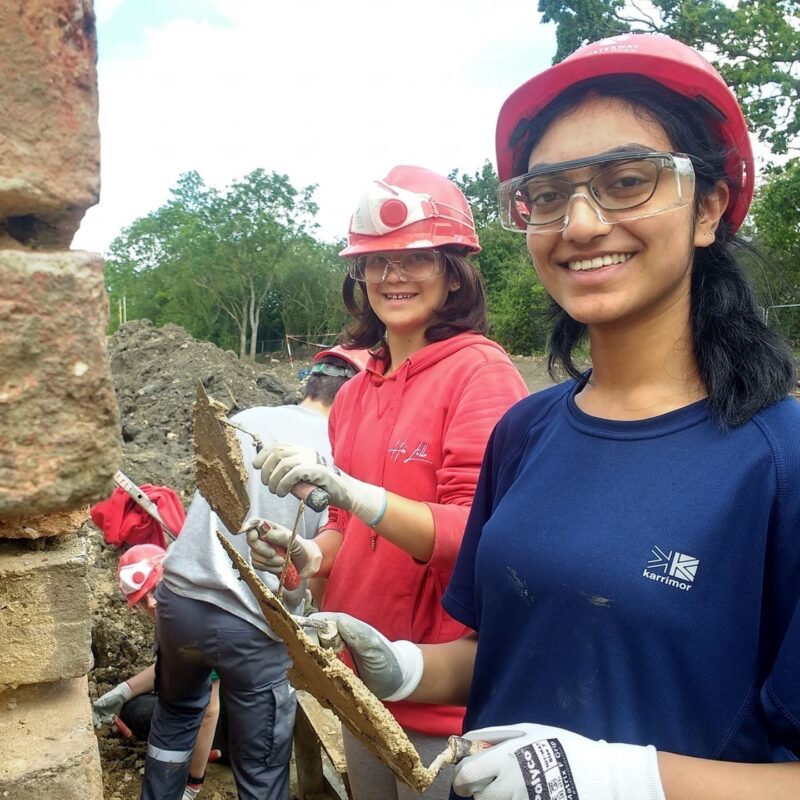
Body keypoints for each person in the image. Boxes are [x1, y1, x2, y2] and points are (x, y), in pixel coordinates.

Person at [306, 34, 800, 800]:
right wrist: (407, 665)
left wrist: (634, 779)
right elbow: (506, 650)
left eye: (627, 181)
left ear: (708, 206)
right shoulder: (527, 434)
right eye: (545, 195)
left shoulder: (780, 465)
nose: (580, 223)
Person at [245, 165, 528, 800]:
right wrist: (311, 554)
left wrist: (355, 495)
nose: (392, 276)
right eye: (375, 262)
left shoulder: (478, 375)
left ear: (454, 270)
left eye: (415, 257)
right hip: (359, 681)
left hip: (442, 699)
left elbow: (479, 536)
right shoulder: (353, 394)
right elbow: (346, 528)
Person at [139, 346, 368, 800]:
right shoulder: (340, 450)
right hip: (251, 619)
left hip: (180, 597)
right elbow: (323, 558)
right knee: (261, 762)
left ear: (311, 383)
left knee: (176, 715)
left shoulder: (249, 416)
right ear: (357, 397)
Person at [92, 544, 221, 800]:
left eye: (155, 587)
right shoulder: (174, 614)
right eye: (142, 599)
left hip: (230, 718)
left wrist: (193, 783)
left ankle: (212, 754)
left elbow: (210, 710)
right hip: (217, 707)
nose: (151, 602)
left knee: (167, 712)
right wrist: (122, 691)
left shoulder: (198, 621)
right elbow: (171, 666)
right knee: (134, 709)